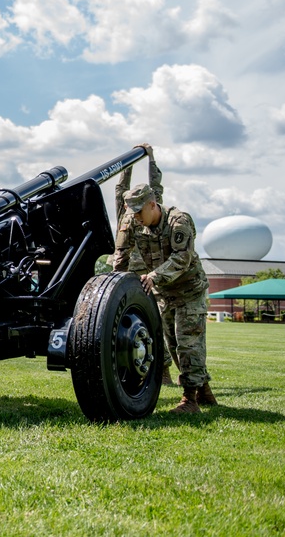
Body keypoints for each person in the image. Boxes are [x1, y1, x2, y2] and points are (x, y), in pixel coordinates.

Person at [111, 183, 217, 414]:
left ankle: (190, 400)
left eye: (140, 211)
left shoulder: (178, 221)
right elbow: (121, 257)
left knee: (189, 343)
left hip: (189, 290)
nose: (136, 217)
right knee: (174, 345)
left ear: (153, 204)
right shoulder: (132, 222)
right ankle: (204, 390)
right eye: (133, 212)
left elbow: (183, 258)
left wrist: (155, 275)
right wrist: (113, 290)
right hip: (164, 293)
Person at [113, 144, 176, 386]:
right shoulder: (125, 210)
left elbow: (155, 185)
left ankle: (164, 370)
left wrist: (151, 158)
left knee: (155, 319)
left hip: (148, 271)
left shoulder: (152, 206)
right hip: (126, 270)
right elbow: (121, 188)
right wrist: (127, 163)